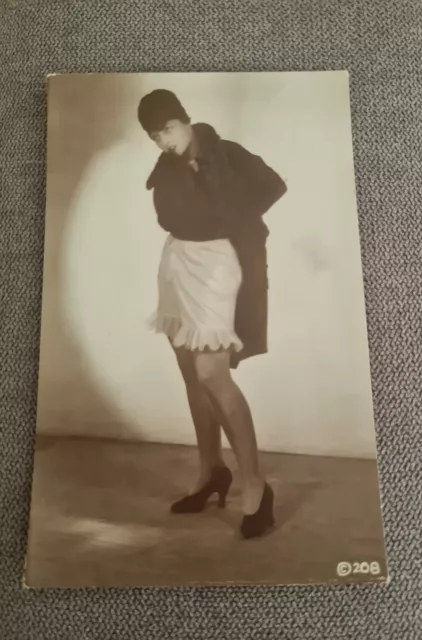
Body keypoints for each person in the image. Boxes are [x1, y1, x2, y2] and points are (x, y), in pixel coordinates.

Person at [138, 89, 287, 539]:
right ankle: (211, 472)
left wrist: (231, 214)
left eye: (167, 129)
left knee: (211, 373)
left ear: (185, 120)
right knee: (189, 370)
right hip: (178, 262)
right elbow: (167, 218)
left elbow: (274, 185)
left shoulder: (227, 153)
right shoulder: (166, 166)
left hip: (219, 263)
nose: (163, 140)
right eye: (153, 135)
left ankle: (256, 484)